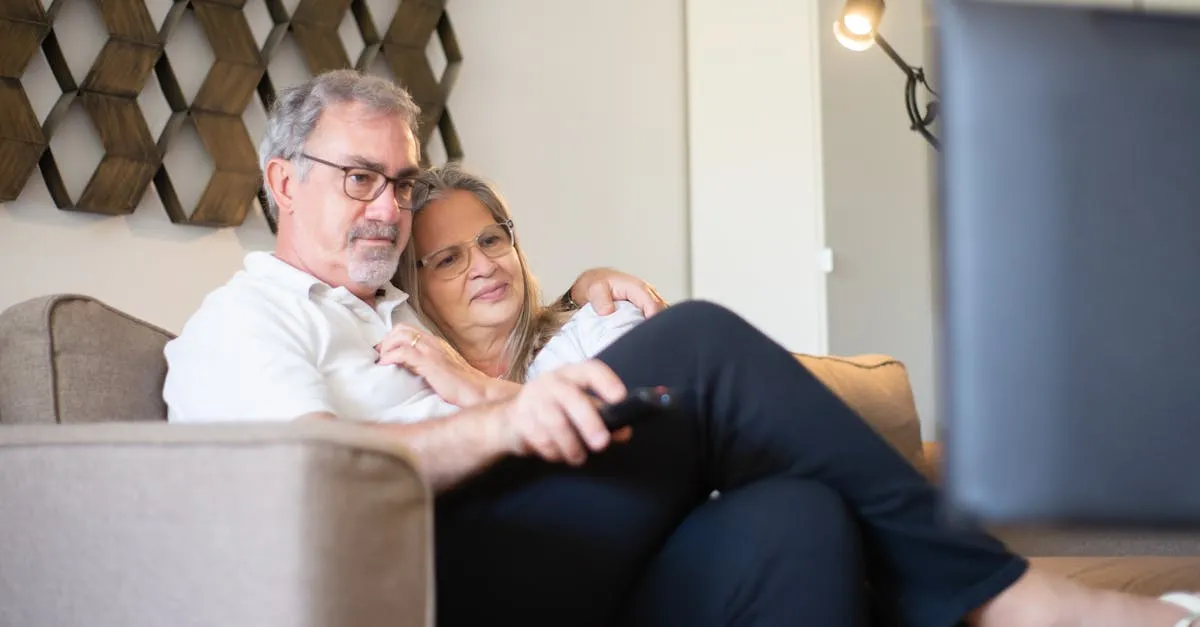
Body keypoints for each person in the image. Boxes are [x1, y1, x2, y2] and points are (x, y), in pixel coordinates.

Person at [161, 69, 1200, 627]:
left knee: (793, 519)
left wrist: (538, 335)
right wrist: (505, 419)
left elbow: (513, 335)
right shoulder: (245, 319)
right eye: (359, 178)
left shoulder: (391, 317)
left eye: (399, 182)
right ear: (281, 181)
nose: (388, 208)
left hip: (539, 559)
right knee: (694, 341)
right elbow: (310, 477)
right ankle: (1011, 600)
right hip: (430, 579)